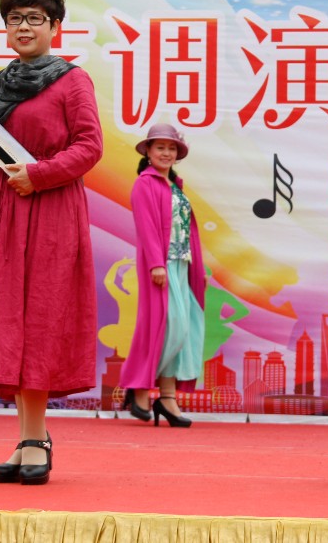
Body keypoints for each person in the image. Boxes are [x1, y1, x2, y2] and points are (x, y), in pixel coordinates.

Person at [0, 0, 103, 485]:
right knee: (9, 323)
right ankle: (26, 439)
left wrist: (38, 175)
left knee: (38, 320)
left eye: (34, 18)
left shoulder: (72, 81)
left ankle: (36, 439)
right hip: (1, 213)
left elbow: (90, 147)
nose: (23, 27)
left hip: (49, 212)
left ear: (55, 26)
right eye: (15, 18)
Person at [119, 123, 207, 428]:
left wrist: (196, 269)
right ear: (148, 151)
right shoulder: (145, 184)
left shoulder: (175, 185)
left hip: (181, 265)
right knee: (162, 327)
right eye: (160, 147)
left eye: (171, 148)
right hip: (161, 265)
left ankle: (167, 397)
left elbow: (186, 231)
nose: (166, 153)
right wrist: (156, 263)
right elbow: (146, 227)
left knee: (181, 330)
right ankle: (139, 387)